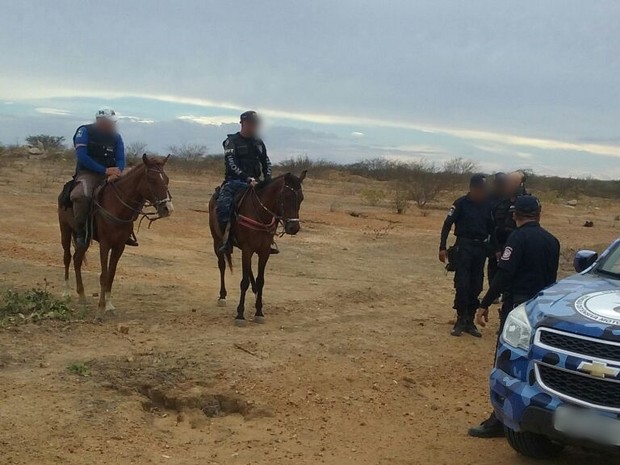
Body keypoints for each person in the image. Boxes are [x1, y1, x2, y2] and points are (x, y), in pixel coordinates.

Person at [468, 196, 560, 438]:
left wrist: (485, 303)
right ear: (538, 214)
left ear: (515, 215)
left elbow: (504, 274)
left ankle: (499, 419)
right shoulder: (552, 241)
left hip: (518, 307)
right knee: (532, 362)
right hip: (540, 308)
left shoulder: (516, 239)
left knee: (507, 360)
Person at [439, 174, 497, 338]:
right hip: (464, 247)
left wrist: (496, 249)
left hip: (480, 249)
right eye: (480, 189)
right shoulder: (460, 204)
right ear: (472, 188)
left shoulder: (488, 205)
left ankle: (470, 321)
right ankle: (460, 319)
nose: (482, 193)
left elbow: (493, 229)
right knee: (462, 284)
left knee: (476, 284)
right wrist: (442, 247)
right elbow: (447, 224)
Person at [70, 108, 137, 248]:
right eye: (110, 122)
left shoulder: (116, 137)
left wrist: (118, 171)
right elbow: (82, 156)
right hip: (88, 173)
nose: (113, 125)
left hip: (111, 173)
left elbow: (120, 157)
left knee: (130, 193)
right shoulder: (84, 132)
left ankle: (126, 231)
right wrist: (104, 170)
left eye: (114, 122)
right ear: (100, 121)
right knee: (82, 195)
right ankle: (80, 231)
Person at [217, 110, 272, 254]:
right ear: (242, 124)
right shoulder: (231, 142)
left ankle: (268, 239)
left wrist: (268, 179)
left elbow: (266, 161)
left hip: (256, 182)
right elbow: (231, 164)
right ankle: (227, 240)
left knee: (273, 204)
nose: (253, 127)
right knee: (223, 206)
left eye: (256, 124)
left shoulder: (258, 142)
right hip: (235, 181)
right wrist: (247, 179)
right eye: (250, 124)